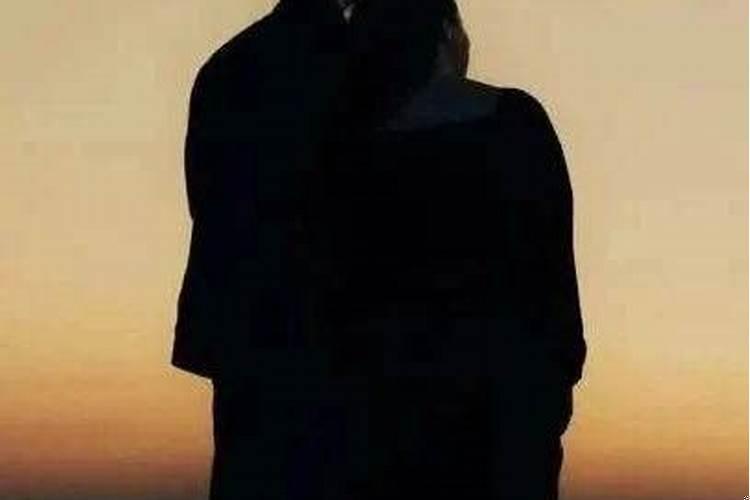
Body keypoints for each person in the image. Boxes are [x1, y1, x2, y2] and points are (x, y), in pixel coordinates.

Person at [297, 0, 588, 498]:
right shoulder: (511, 122)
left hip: (377, 427)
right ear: (447, 34)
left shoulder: (336, 151)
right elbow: (551, 281)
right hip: (499, 421)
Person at [171, 1, 368, 499]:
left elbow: (206, 199)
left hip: (244, 333)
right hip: (328, 337)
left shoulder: (229, 66)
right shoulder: (356, 66)